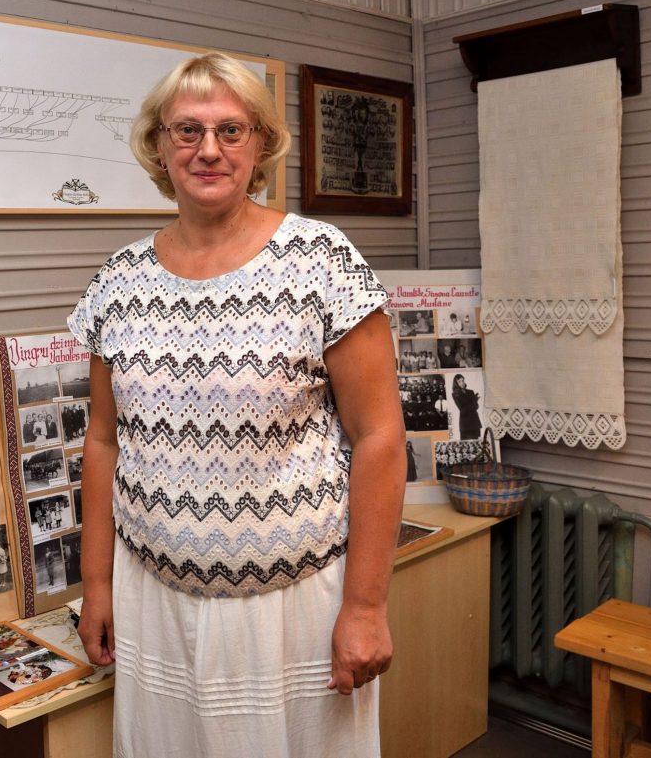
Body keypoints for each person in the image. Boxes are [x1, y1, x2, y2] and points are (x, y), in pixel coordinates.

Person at [67, 53, 406, 757]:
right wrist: (96, 584)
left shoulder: (321, 261)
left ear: (261, 145)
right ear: (159, 145)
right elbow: (103, 440)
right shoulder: (118, 282)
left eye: (230, 129)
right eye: (187, 130)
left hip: (292, 612)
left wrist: (366, 606)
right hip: (154, 602)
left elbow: (380, 435)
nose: (209, 149)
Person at [452, 374, 482, 440]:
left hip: (475, 422)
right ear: (456, 383)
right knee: (465, 445)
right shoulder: (455, 394)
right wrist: (474, 400)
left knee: (477, 444)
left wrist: (474, 401)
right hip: (465, 425)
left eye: (463, 380)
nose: (462, 383)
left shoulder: (471, 392)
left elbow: (476, 406)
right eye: (459, 381)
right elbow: (463, 410)